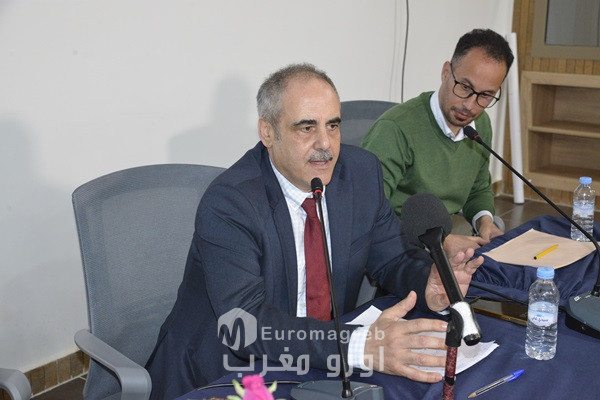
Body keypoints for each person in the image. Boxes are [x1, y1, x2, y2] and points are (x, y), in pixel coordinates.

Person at [145, 63, 483, 399]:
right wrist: (359, 345)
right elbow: (246, 326)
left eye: (332, 125)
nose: (326, 144)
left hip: (320, 360)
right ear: (267, 132)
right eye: (306, 128)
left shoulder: (360, 174)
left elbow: (393, 258)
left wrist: (427, 283)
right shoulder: (231, 203)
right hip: (224, 374)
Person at [361, 29, 514, 254]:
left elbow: (478, 189)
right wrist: (439, 242)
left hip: (441, 241)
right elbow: (368, 213)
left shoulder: (480, 126)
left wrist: (484, 222)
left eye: (485, 96)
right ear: (446, 72)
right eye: (465, 87)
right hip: (397, 248)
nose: (470, 106)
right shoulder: (395, 129)